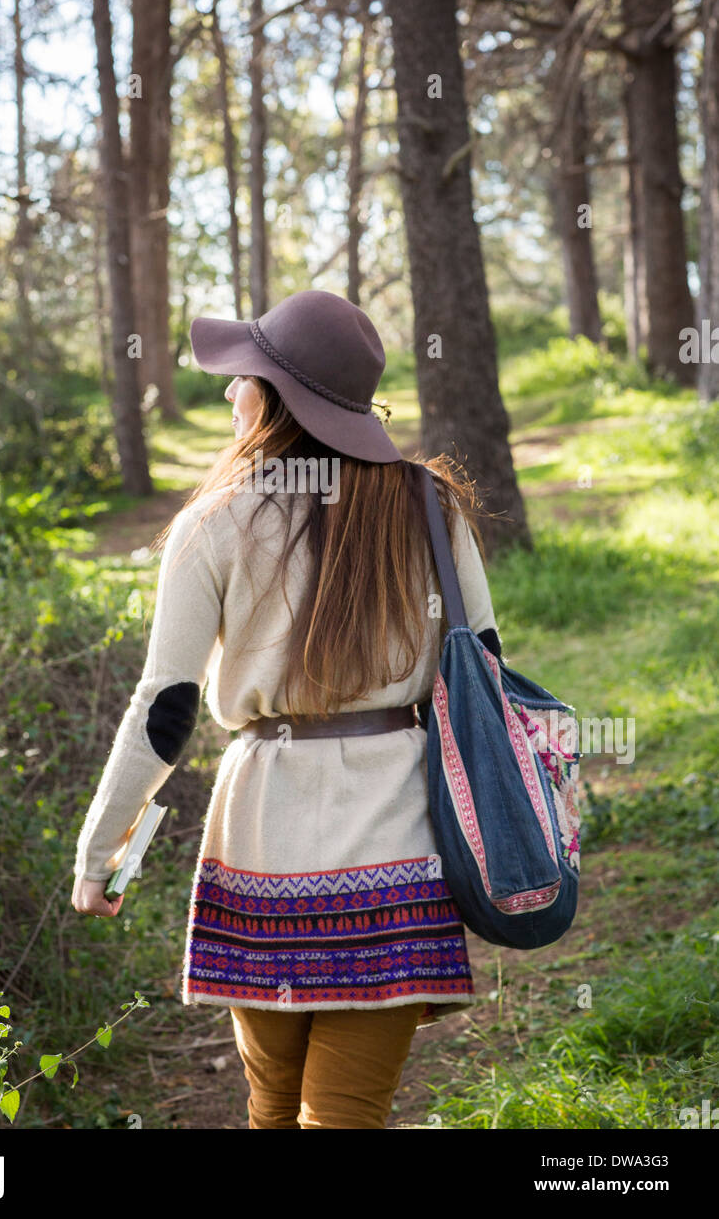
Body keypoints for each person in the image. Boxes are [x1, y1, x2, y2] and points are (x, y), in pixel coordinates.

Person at [71, 288, 504, 1129]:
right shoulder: (430, 505)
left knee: (271, 1108)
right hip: (401, 847)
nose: (230, 391)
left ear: (275, 394)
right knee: (348, 1113)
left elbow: (166, 708)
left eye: (242, 376)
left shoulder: (217, 521)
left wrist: (100, 854)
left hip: (262, 843)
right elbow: (484, 669)